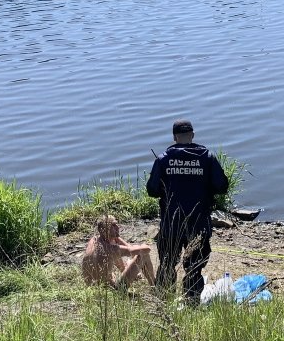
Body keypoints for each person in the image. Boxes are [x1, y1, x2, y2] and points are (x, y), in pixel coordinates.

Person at [146, 118, 229, 304]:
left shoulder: (163, 160)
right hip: (198, 223)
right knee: (194, 267)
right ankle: (191, 304)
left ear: (175, 137)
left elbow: (152, 190)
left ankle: (163, 304)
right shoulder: (207, 157)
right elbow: (222, 186)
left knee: (167, 264)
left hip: (171, 224)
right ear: (192, 135)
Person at [81, 214, 155, 290]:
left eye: (116, 224)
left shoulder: (95, 239)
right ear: (103, 230)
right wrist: (142, 246)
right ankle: (154, 286)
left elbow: (125, 249)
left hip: (92, 289)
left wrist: (117, 238)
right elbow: (146, 249)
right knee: (144, 255)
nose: (117, 227)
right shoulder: (110, 249)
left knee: (118, 257)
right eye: (113, 225)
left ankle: (129, 272)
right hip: (110, 292)